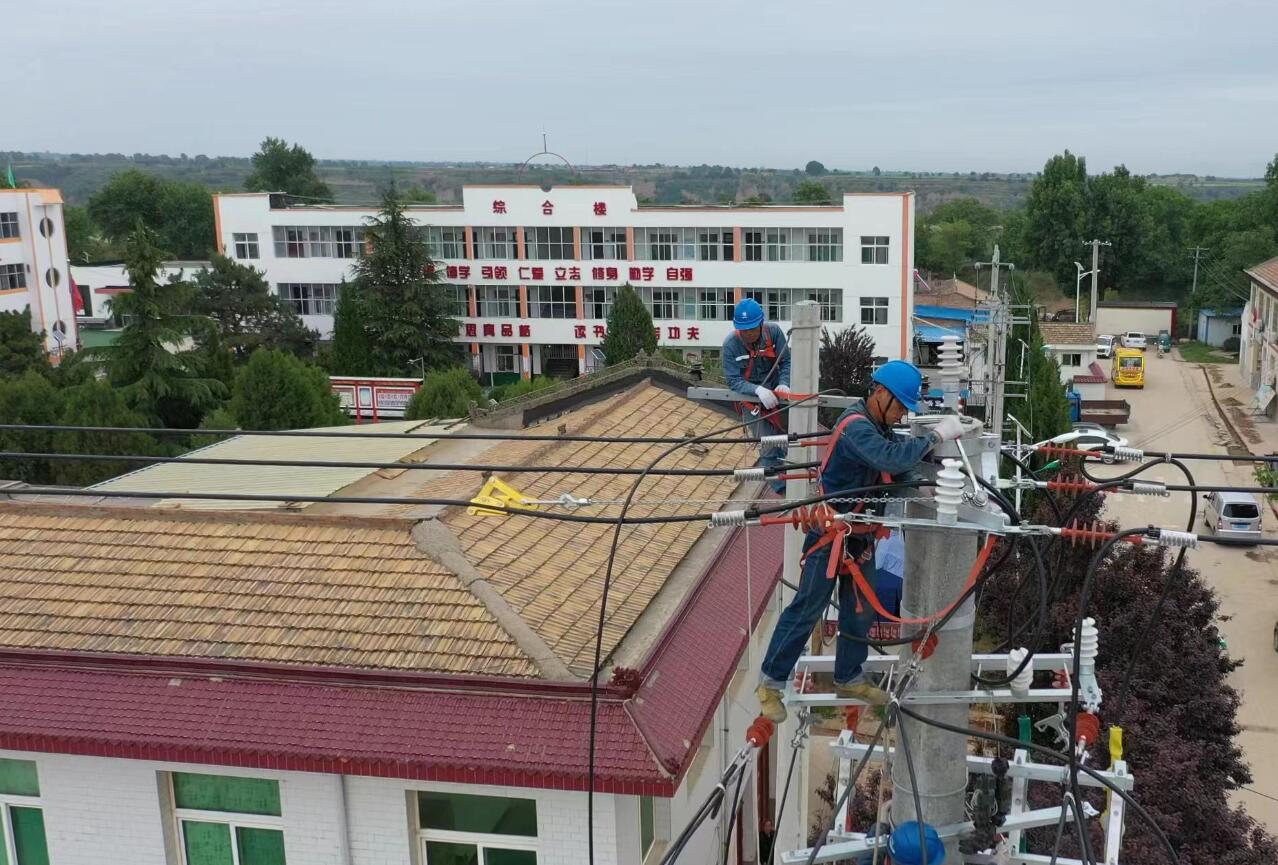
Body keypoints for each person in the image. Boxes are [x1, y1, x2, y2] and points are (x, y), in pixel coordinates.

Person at [755, 360, 964, 722]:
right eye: (899, 406)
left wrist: (924, 479)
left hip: (860, 536)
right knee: (806, 609)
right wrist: (935, 437)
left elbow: (896, 463)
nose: (901, 414)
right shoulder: (856, 427)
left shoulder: (878, 427)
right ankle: (770, 684)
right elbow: (889, 459)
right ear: (880, 393)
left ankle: (849, 677)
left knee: (860, 611)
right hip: (832, 536)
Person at [722, 298, 791, 493]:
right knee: (768, 445)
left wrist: (784, 383)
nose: (748, 334)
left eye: (752, 329)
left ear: (761, 324)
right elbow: (733, 380)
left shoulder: (773, 333)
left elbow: (786, 361)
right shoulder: (730, 345)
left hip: (778, 395)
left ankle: (799, 480)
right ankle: (782, 490)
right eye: (744, 330)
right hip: (751, 401)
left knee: (791, 439)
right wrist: (757, 390)